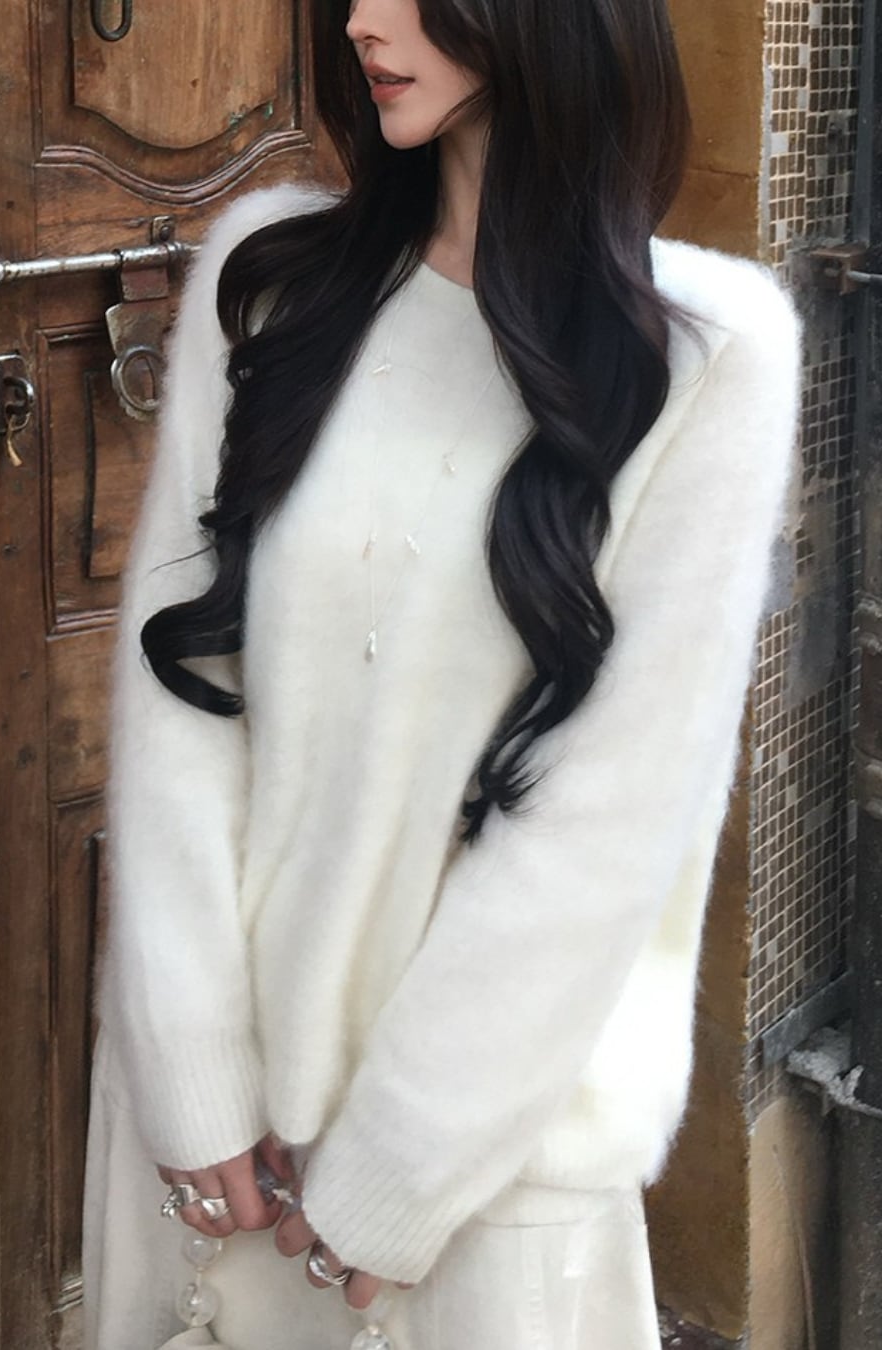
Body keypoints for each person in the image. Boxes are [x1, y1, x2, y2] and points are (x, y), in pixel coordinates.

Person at [82, 1, 803, 1346]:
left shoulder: (711, 360)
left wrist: (402, 1163)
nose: (362, 18)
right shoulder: (272, 280)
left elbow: (610, 815)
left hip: (478, 1167)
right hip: (220, 1143)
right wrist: (188, 1058)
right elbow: (181, 691)